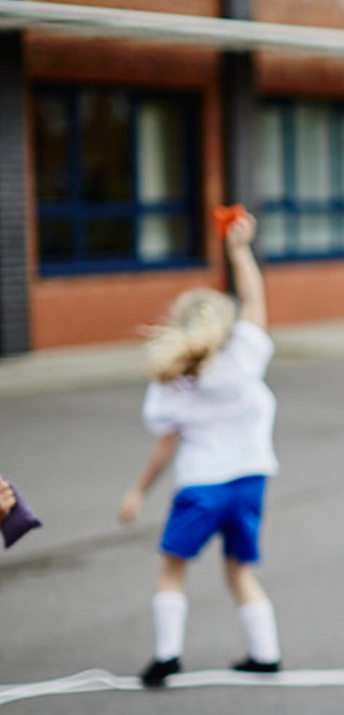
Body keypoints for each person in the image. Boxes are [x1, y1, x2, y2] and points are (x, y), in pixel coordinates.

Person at [118, 211, 283, 687]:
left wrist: (137, 491)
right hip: (250, 483)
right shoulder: (244, 358)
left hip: (202, 487)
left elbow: (165, 445)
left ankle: (167, 656)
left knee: (172, 570)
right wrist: (238, 249)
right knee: (240, 570)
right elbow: (255, 298)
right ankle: (265, 654)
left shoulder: (173, 381)